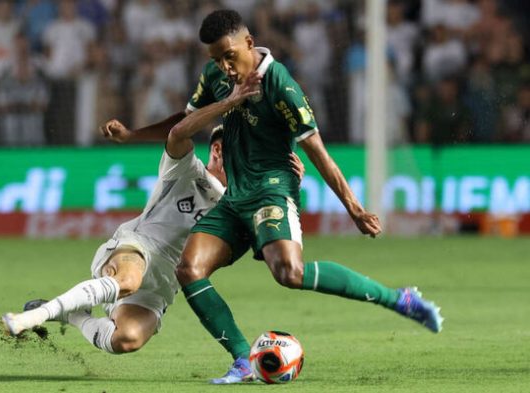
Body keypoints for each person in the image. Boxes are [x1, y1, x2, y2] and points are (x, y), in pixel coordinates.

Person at [171, 10, 444, 384]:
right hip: (234, 196)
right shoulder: (216, 78)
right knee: (189, 270)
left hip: (271, 189)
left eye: (230, 56)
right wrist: (227, 101)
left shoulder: (280, 84)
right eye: (216, 59)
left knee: (289, 273)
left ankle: (399, 299)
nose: (225, 66)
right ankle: (241, 360)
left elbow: (317, 151)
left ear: (249, 43)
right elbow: (184, 124)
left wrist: (354, 208)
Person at [1, 82, 305, 355]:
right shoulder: (186, 169)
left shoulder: (243, 204)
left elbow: (272, 248)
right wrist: (228, 103)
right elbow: (178, 132)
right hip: (137, 246)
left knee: (126, 340)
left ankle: (71, 314)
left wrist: (288, 190)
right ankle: (31, 318)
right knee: (128, 281)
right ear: (218, 149)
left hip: (164, 283)